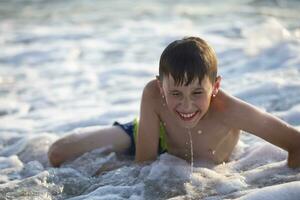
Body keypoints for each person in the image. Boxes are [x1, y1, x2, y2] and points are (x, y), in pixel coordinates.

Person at [48, 36, 300, 169]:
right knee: (58, 153)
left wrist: (273, 183)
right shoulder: (152, 93)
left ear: (216, 86)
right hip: (151, 133)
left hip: (198, 166)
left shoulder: (232, 111)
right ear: (161, 86)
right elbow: (144, 163)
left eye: (197, 93)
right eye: (176, 93)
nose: (187, 105)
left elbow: (296, 144)